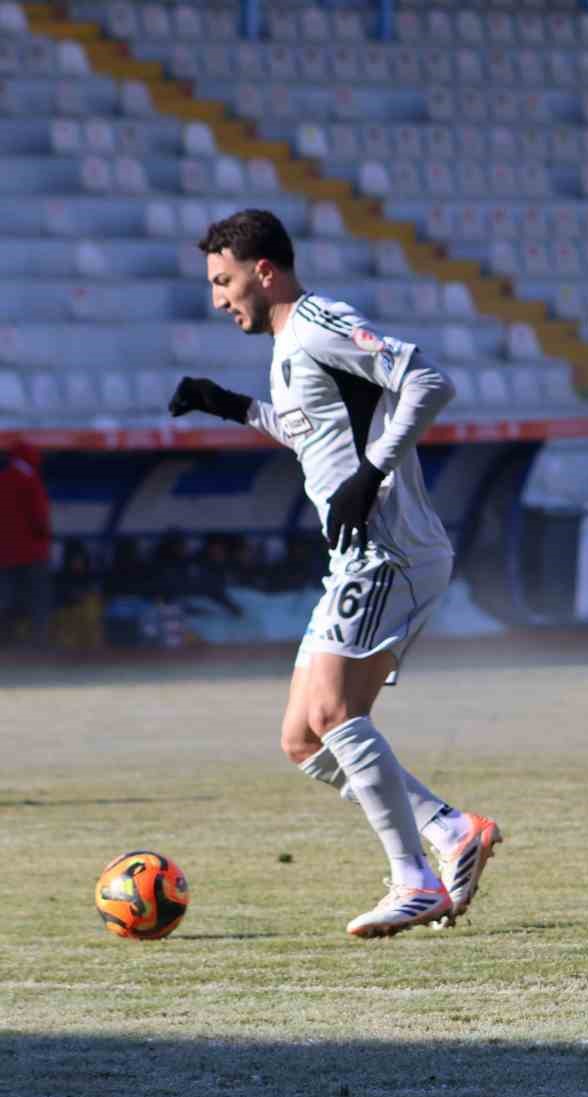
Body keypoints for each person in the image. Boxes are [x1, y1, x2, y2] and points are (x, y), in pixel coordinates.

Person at [167, 209, 501, 937]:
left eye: (224, 282)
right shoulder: (289, 345)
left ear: (264, 271)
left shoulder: (319, 321)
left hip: (388, 548)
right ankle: (450, 830)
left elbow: (427, 379)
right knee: (305, 738)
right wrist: (229, 406)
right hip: (358, 555)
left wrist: (371, 472)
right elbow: (310, 429)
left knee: (330, 714)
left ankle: (415, 880)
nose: (219, 298)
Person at [0, 438, 53, 647]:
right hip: (33, 552)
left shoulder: (2, 479)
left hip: (4, 553)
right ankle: (39, 642)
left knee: (5, 599)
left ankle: (5, 642)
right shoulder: (31, 480)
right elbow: (39, 518)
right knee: (37, 598)